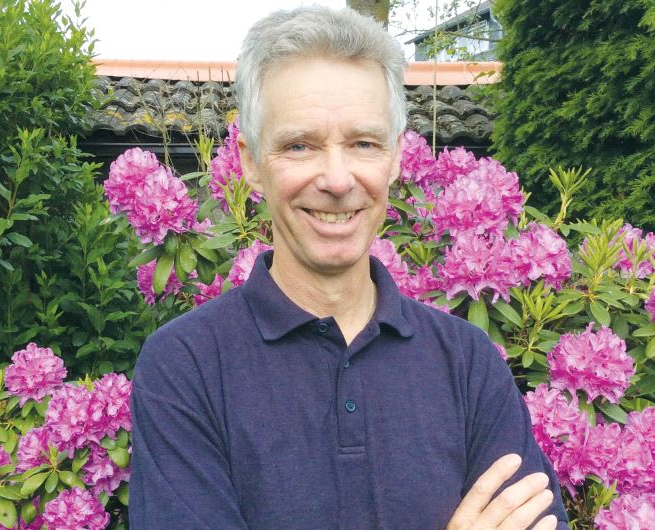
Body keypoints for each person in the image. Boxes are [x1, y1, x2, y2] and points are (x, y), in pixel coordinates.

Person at [130, 6, 569, 529]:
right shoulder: (186, 367)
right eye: (300, 145)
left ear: (395, 157)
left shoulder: (467, 362)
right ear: (250, 162)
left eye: (364, 143)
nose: (338, 180)